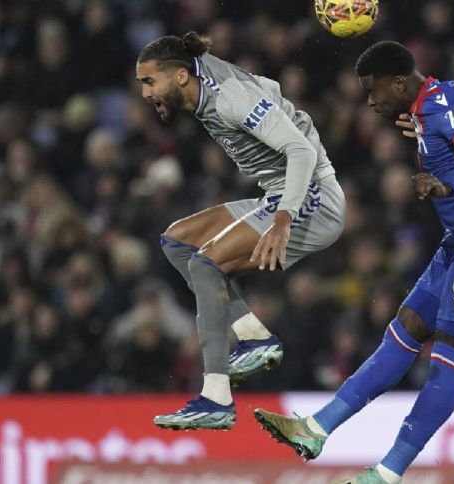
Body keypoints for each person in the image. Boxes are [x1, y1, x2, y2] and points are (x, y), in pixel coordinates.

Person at [254, 41, 454, 484]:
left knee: (449, 349)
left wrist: (441, 184)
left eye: (373, 90)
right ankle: (315, 428)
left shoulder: (443, 108)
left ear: (400, 83)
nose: (369, 101)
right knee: (404, 328)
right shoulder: (431, 107)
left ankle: (388, 473)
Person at [136, 32, 346, 430]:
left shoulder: (231, 98)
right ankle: (252, 335)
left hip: (312, 198)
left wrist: (284, 218)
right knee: (177, 242)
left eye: (150, 82)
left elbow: (300, 150)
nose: (145, 94)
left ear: (181, 77)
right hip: (279, 195)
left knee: (205, 264)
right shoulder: (197, 80)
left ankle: (215, 397)